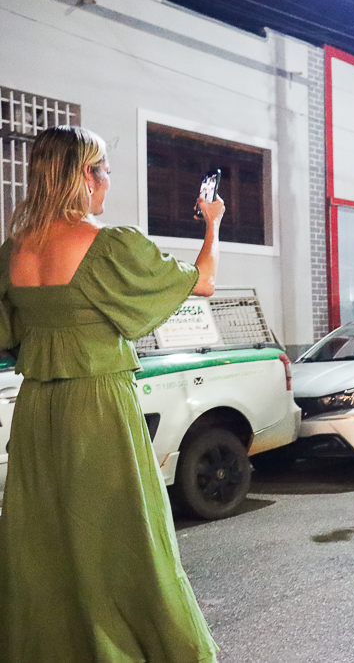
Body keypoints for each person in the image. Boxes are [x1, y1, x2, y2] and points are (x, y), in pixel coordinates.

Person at [0, 126, 222, 660]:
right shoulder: (107, 245)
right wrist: (212, 225)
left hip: (37, 410)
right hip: (98, 406)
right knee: (126, 537)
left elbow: (9, 335)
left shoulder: (13, 252)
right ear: (84, 175)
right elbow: (202, 282)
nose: (107, 182)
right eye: (104, 170)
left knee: (45, 542)